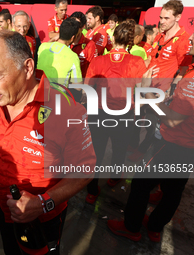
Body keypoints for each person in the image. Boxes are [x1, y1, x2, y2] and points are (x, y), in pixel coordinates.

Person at [0, 30, 96, 255]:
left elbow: (85, 170)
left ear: (28, 67)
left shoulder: (66, 109)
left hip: (44, 217)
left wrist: (43, 203)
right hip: (5, 210)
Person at [108, 31, 194, 243]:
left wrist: (147, 93)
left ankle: (131, 227)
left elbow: (173, 120)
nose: (190, 41)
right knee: (174, 189)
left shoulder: (191, 81)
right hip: (188, 146)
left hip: (174, 143)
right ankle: (155, 228)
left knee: (140, 184)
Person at [84, 19, 147, 204]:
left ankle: (91, 191)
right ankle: (114, 177)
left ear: (113, 38)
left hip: (99, 114)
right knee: (120, 150)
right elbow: (143, 90)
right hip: (125, 115)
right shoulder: (137, 62)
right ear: (130, 41)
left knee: (96, 152)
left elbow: (87, 89)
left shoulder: (98, 60)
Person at [128, 0, 192, 162]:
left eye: (166, 18)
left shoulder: (183, 40)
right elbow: (151, 58)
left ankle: (142, 152)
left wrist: (172, 92)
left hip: (161, 92)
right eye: (161, 17)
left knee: (152, 125)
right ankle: (134, 146)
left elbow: (183, 71)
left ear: (177, 17)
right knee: (136, 118)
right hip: (146, 86)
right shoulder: (160, 35)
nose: (162, 21)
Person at [37, 18, 82, 92]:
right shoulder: (73, 56)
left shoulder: (43, 47)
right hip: (58, 97)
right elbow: (78, 87)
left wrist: (52, 39)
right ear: (72, 37)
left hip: (39, 93)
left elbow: (46, 45)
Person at [70, 12, 97, 79]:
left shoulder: (90, 45)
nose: (73, 28)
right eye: (71, 24)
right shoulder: (63, 42)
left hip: (80, 86)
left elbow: (93, 70)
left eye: (76, 26)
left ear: (83, 27)